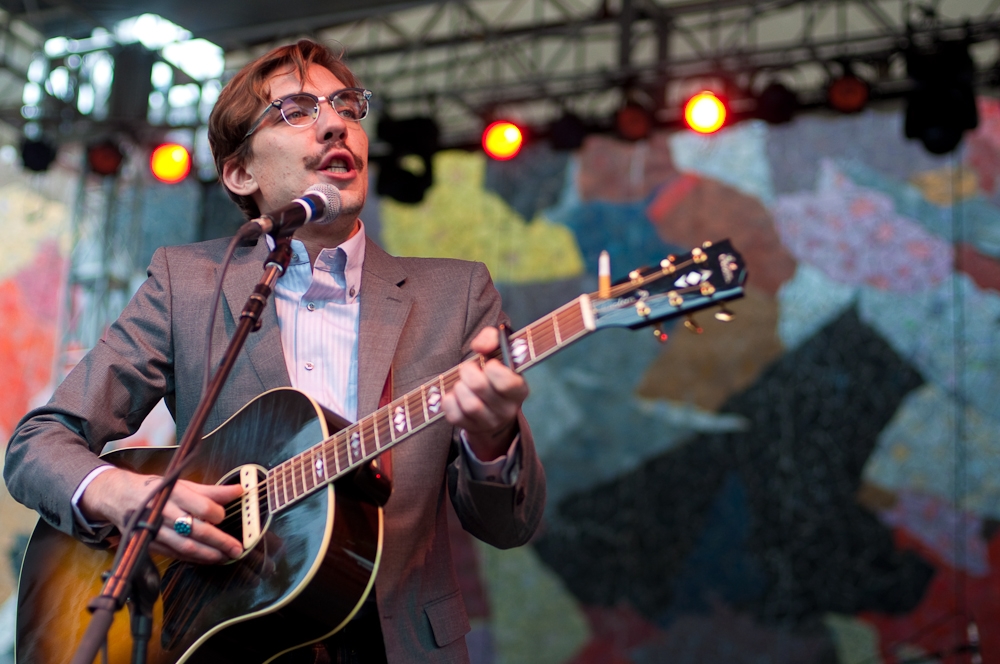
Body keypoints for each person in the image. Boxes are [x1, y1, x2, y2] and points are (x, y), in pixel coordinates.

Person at [5, 39, 545, 663]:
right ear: (241, 173)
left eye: (345, 104)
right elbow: (37, 445)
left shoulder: (455, 293)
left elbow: (509, 525)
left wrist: (491, 435)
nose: (336, 122)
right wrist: (125, 496)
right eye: (296, 110)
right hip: (216, 638)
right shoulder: (189, 283)